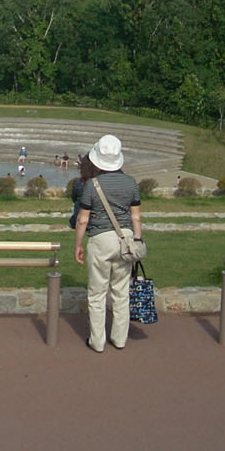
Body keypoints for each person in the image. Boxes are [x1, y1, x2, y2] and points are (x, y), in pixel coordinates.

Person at [73, 134, 142, 352]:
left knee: (97, 292)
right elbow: (136, 217)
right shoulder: (131, 183)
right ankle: (120, 339)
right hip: (126, 239)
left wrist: (78, 245)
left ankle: (97, 341)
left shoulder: (92, 185)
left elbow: (83, 219)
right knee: (121, 291)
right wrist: (137, 240)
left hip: (100, 239)